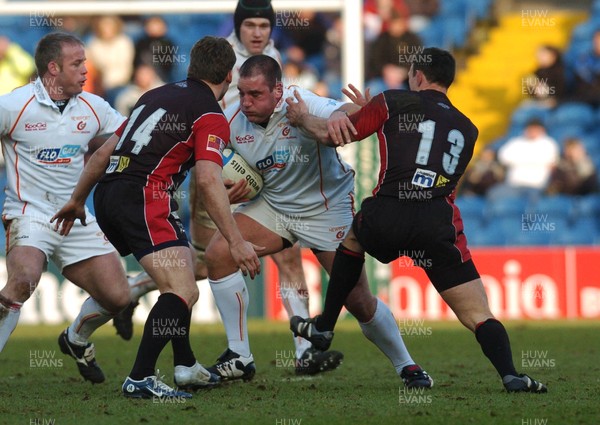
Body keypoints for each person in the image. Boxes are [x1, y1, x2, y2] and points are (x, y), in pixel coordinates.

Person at [289, 48, 547, 393]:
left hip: (389, 211)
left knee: (351, 242)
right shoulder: (468, 129)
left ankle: (324, 325)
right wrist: (370, 111)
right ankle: (511, 375)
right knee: (478, 313)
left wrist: (302, 117)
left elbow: (335, 134)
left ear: (419, 76)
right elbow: (444, 178)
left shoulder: (393, 101)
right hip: (436, 222)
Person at [114, 0, 341, 378]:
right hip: (218, 170)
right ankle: (133, 290)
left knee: (288, 257)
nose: (257, 32)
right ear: (237, 28)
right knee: (205, 262)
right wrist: (221, 172)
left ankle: (302, 350)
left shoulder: (274, 58)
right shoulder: (219, 57)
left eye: (264, 25)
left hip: (269, 175)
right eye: (250, 24)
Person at [204, 54, 432, 389]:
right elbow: (207, 166)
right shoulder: (230, 118)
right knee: (218, 253)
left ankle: (407, 365)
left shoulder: (301, 102)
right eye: (243, 92)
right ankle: (239, 356)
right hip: (273, 206)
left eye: (256, 94)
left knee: (358, 301)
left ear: (278, 90)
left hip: (327, 207)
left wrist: (355, 111)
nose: (247, 102)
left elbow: (342, 116)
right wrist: (226, 188)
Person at [52, 36, 261, 399]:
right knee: (182, 289)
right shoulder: (211, 115)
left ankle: (185, 365)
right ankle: (141, 378)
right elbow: (210, 181)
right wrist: (235, 241)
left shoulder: (154, 96)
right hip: (145, 196)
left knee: (180, 278)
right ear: (229, 75)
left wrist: (77, 200)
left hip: (110, 194)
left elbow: (103, 152)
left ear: (192, 67)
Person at [0, 32, 130, 384]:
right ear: (53, 68)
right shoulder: (14, 106)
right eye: (77, 64)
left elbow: (131, 137)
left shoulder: (92, 106)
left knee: (119, 297)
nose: (86, 70)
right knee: (24, 280)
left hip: (75, 216)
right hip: (30, 212)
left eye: (85, 62)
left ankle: (75, 338)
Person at [490, 118, 559, 201]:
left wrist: (519, 160)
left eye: (535, 128)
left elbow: (551, 162)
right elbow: (503, 157)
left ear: (542, 129)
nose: (532, 131)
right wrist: (534, 160)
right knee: (494, 194)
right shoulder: (516, 142)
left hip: (538, 186)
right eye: (530, 128)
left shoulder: (549, 144)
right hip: (513, 184)